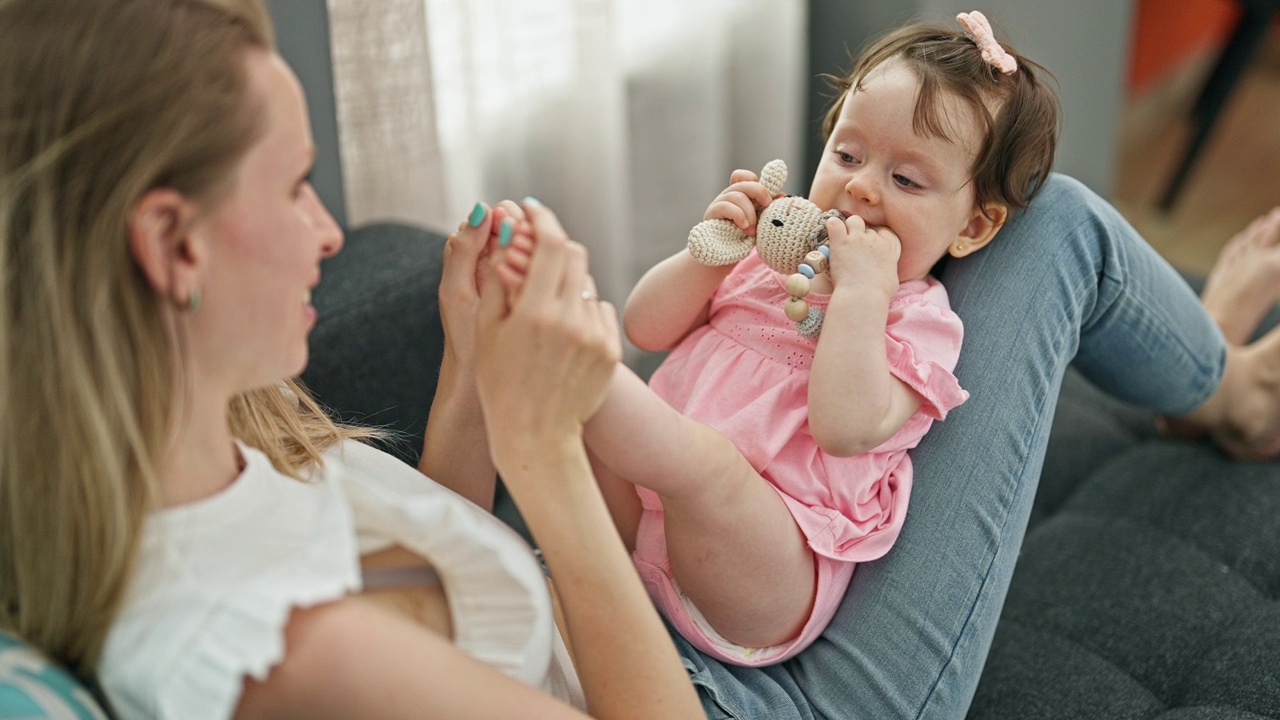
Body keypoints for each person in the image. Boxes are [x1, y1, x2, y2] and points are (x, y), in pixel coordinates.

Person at [3, 2, 1280, 720]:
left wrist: (466, 380)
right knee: (1061, 227)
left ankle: (1211, 377)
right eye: (293, 185)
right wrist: (549, 448)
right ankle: (1227, 389)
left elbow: (436, 580)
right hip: (713, 683)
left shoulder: (204, 457)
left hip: (664, 579)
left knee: (1037, 216)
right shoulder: (295, 660)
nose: (332, 232)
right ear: (168, 244)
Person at [487, 12, 1060, 666]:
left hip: (769, 574)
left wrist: (862, 295)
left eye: (906, 180)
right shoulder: (771, 258)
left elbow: (845, 427)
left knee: (703, 465)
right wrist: (709, 255)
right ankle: (552, 353)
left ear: (973, 227)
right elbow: (645, 327)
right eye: (847, 155)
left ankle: (565, 346)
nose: (861, 186)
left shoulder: (916, 318)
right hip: (641, 528)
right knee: (590, 426)